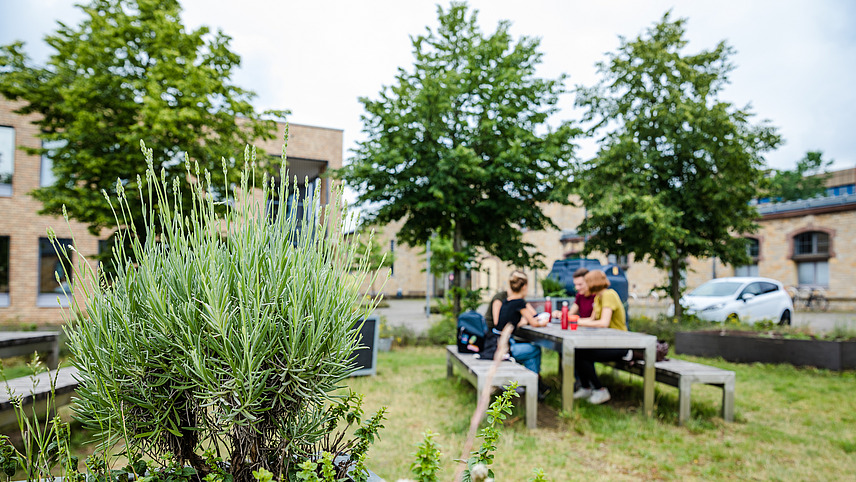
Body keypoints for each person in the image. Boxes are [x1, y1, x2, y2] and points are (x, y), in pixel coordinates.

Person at [481, 271, 551, 399]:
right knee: (535, 350)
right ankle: (534, 389)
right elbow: (534, 322)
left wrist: (522, 321)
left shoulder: (506, 301)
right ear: (524, 286)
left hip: (494, 344)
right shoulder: (519, 302)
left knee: (531, 355)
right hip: (504, 348)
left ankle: (533, 388)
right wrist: (544, 322)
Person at [573, 269, 629, 405]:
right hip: (606, 342)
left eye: (586, 283)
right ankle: (586, 387)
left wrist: (576, 321)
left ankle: (600, 390)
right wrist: (573, 320)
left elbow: (604, 323)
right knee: (578, 351)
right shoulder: (598, 297)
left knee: (584, 353)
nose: (583, 286)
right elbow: (592, 319)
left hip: (619, 344)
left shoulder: (609, 295)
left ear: (593, 283)